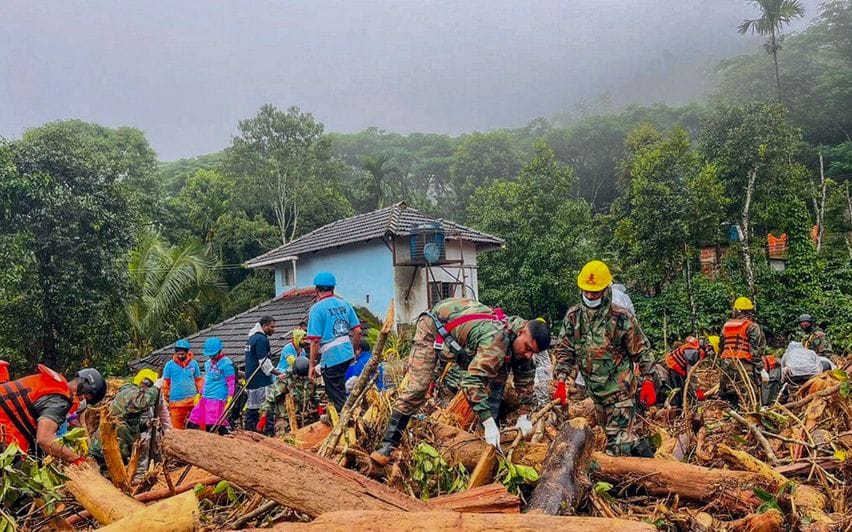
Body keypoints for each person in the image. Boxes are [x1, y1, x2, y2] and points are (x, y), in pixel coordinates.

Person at [370, 298, 550, 466]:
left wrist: (524, 415)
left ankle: (486, 444)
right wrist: (488, 422)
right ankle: (387, 445)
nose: (528, 354)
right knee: (419, 387)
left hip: (464, 331)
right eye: (527, 348)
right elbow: (471, 382)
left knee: (497, 384)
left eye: (533, 352)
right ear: (521, 332)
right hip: (434, 327)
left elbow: (525, 378)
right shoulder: (496, 340)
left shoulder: (521, 345)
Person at [552, 260, 658, 457]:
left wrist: (650, 380)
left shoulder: (621, 318)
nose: (590, 296)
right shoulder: (574, 317)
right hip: (596, 393)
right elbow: (565, 350)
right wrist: (560, 379)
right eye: (586, 291)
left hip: (620, 391)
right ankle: (644, 453)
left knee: (616, 449)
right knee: (618, 437)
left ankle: (627, 483)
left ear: (606, 289)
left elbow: (642, 350)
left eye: (596, 292)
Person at [0, 365, 106, 464]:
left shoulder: (50, 384)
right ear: (84, 386)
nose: (83, 401)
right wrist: (74, 459)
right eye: (87, 397)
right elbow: (44, 440)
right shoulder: (60, 401)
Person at [90, 369, 169, 480]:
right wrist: (155, 388)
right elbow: (142, 402)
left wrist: (147, 424)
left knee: (116, 477)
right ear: (144, 383)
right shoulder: (128, 393)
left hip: (116, 445)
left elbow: (130, 424)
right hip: (106, 447)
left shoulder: (133, 395)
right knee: (113, 477)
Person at [306, 272, 362, 413]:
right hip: (347, 353)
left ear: (316, 290)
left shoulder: (316, 309)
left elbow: (315, 341)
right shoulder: (345, 304)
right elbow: (358, 331)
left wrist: (311, 365)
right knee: (340, 389)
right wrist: (354, 351)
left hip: (331, 357)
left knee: (336, 397)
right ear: (333, 289)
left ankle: (343, 422)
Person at [719, 296, 766, 408]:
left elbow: (721, 345)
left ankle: (732, 412)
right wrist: (760, 368)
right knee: (749, 393)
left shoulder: (726, 326)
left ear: (736, 310)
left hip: (727, 363)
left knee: (730, 391)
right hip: (744, 364)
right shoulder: (753, 326)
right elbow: (755, 350)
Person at [256, 356, 319, 435]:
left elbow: (314, 396)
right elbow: (270, 400)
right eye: (300, 376)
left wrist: (319, 409)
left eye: (304, 376)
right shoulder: (285, 381)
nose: (302, 378)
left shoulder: (309, 381)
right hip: (285, 419)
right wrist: (263, 417)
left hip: (304, 418)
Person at [244, 316, 286, 434]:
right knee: (266, 407)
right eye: (271, 327)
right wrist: (278, 374)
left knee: (252, 407)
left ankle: (250, 430)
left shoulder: (251, 338)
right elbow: (264, 362)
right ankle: (268, 433)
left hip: (251, 380)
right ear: (264, 326)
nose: (274, 330)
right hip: (261, 380)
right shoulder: (262, 340)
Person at [188, 338, 235, 434]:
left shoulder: (226, 364)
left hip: (218, 397)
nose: (212, 357)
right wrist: (199, 393)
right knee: (194, 419)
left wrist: (230, 397)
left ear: (219, 351)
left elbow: (231, 382)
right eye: (210, 355)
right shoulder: (208, 364)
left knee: (215, 422)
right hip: (206, 396)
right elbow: (207, 380)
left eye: (214, 355)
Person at [655, 336, 715, 407]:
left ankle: (680, 404)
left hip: (674, 365)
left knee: (681, 386)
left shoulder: (695, 348)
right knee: (679, 388)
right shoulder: (694, 352)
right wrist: (696, 389)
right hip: (674, 366)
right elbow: (691, 373)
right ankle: (677, 406)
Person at [161, 339, 203, 429]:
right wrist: (164, 398)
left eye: (182, 354)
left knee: (198, 425)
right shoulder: (169, 365)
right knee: (176, 428)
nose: (180, 356)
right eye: (178, 354)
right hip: (176, 402)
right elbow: (165, 383)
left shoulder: (194, 364)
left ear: (187, 352)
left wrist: (202, 392)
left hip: (193, 400)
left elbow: (198, 379)